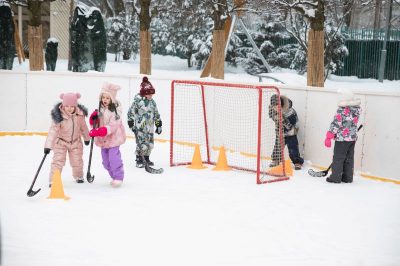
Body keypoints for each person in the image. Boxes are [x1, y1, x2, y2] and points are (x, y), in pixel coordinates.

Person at [44, 92, 90, 185]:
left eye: (72, 106)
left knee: (77, 161)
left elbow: (83, 127)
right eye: (67, 106)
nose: (69, 108)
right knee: (58, 161)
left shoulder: (79, 115)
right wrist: (48, 146)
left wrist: (86, 138)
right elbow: (53, 131)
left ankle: (79, 176)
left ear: (75, 106)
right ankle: (54, 180)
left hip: (76, 142)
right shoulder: (59, 117)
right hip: (61, 142)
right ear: (63, 105)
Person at [89, 82, 126, 187]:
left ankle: (118, 177)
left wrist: (97, 132)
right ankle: (114, 176)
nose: (104, 100)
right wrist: (93, 119)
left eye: (107, 98)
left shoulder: (116, 112)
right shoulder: (100, 109)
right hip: (103, 140)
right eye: (103, 97)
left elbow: (112, 127)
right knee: (106, 162)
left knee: (114, 159)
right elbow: (95, 125)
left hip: (114, 139)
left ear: (112, 99)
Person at [324, 88, 361, 183]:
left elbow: (336, 124)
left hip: (342, 139)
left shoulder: (342, 110)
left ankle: (335, 178)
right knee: (349, 158)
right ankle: (347, 177)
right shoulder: (356, 109)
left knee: (338, 158)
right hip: (352, 138)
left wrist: (329, 136)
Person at [127, 76, 162, 168]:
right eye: (149, 94)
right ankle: (139, 158)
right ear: (144, 93)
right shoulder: (137, 102)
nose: (151, 96)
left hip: (150, 127)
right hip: (140, 127)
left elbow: (156, 114)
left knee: (150, 143)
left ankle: (146, 157)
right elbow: (131, 112)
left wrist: (158, 125)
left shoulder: (152, 103)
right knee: (141, 143)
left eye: (152, 94)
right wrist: (131, 121)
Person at [269, 94, 304, 170]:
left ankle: (297, 162)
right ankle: (276, 160)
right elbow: (271, 114)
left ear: (281, 104)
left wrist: (283, 120)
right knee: (278, 146)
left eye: (276, 106)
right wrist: (275, 117)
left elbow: (290, 126)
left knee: (293, 147)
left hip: (291, 131)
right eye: (273, 106)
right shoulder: (272, 107)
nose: (274, 108)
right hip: (280, 131)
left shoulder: (290, 112)